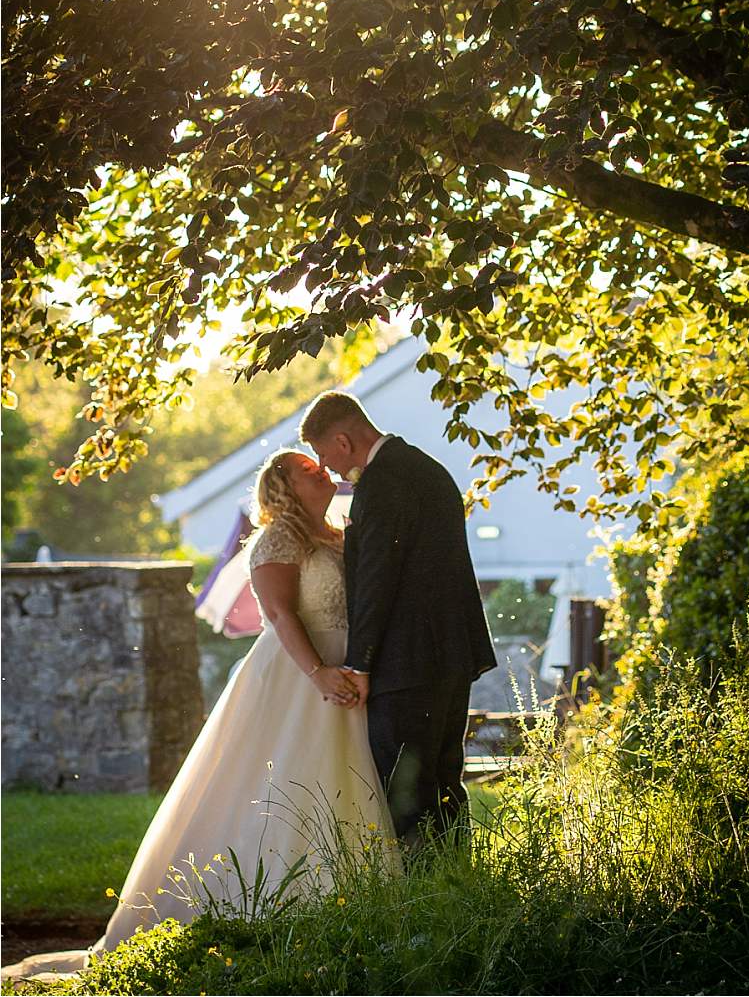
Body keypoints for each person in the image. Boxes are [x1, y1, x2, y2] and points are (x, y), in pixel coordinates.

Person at [94, 449, 395, 954]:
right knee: (289, 782)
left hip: (351, 671)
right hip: (299, 673)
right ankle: (260, 911)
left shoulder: (341, 535)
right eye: (308, 469)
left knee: (350, 781)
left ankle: (352, 906)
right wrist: (319, 672)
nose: (323, 470)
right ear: (284, 487)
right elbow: (279, 615)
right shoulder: (278, 539)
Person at [300, 392, 497, 851]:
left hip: (406, 664)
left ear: (344, 441)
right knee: (447, 779)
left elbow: (375, 580)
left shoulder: (381, 484)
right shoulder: (428, 469)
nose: (327, 468)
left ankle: (424, 896)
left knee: (407, 789)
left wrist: (361, 664)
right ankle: (455, 881)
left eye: (325, 455)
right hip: (452, 653)